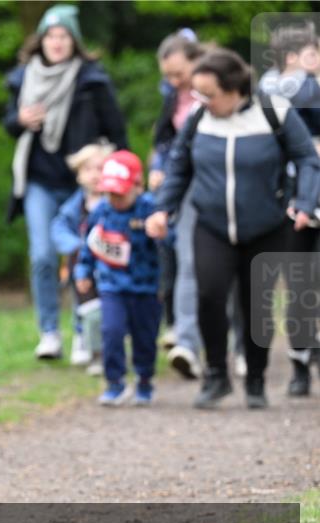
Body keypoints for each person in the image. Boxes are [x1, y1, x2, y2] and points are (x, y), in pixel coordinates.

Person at [146, 49, 320, 409]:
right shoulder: (199, 117)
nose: (202, 101)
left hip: (266, 226)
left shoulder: (273, 111)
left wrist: (305, 202)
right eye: (198, 93)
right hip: (212, 225)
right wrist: (163, 209)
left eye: (209, 94)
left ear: (234, 89)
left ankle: (255, 379)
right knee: (209, 294)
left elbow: (307, 158)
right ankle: (216, 376)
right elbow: (179, 165)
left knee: (256, 305)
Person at [3, 4, 128, 361]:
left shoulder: (92, 79)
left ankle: (83, 333)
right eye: (51, 36)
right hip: (38, 182)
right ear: (41, 41)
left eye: (64, 36)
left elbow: (116, 131)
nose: (57, 42)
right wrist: (20, 120)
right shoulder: (23, 78)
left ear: (74, 41)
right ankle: (49, 333)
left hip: (83, 185)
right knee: (43, 256)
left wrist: (122, 176)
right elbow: (9, 124)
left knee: (82, 254)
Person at [74, 151, 163, 406]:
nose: (114, 199)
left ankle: (144, 380)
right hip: (111, 286)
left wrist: (160, 233)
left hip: (146, 289)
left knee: (145, 338)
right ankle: (115, 383)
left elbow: (171, 242)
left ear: (138, 186)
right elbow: (89, 245)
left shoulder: (150, 209)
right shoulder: (101, 212)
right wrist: (83, 271)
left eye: (120, 194)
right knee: (111, 331)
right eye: (109, 193)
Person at [260, 22, 320, 396]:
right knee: (298, 285)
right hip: (293, 199)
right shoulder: (272, 94)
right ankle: (300, 364)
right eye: (314, 53)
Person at [149, 30, 206, 380]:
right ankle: (186, 343)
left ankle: (240, 346)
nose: (173, 81)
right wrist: (159, 171)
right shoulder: (172, 96)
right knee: (187, 261)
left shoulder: (223, 86)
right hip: (186, 184)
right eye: (167, 75)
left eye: (178, 73)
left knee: (230, 268)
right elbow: (166, 142)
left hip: (224, 183)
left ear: (197, 61)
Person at [50, 142, 115, 373]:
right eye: (88, 169)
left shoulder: (114, 202)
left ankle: (107, 347)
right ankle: (82, 336)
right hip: (83, 267)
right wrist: (77, 246)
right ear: (78, 175)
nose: (95, 175)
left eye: (100, 168)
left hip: (111, 265)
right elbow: (58, 229)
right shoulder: (73, 207)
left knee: (109, 306)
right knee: (84, 302)